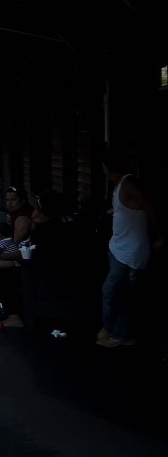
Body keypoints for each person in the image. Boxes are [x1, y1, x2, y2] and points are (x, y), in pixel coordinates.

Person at [98, 148, 163, 348]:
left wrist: (160, 236)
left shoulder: (127, 182)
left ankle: (110, 330)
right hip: (118, 248)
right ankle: (122, 334)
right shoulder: (119, 185)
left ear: (106, 167)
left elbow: (149, 206)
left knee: (110, 292)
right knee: (122, 294)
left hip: (129, 252)